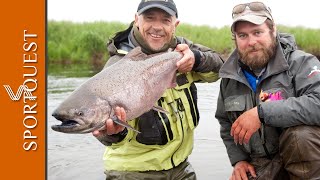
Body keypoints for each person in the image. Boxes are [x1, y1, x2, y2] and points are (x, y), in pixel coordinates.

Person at [92, 0, 223, 179]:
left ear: (175, 25)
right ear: (136, 20)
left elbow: (220, 68)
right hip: (132, 173)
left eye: (165, 20)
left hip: (181, 167)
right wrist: (114, 133)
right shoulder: (117, 67)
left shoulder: (182, 50)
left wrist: (197, 59)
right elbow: (108, 138)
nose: (157, 27)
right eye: (150, 18)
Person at [215, 1, 320, 179]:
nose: (251, 42)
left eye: (257, 32)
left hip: (307, 163)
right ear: (235, 39)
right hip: (260, 165)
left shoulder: (302, 63)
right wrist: (239, 160)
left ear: (273, 30)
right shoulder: (229, 78)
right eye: (243, 35)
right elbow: (225, 123)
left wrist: (262, 113)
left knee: (300, 137)